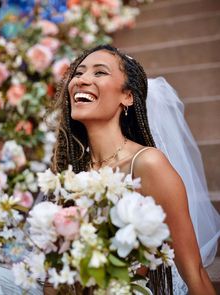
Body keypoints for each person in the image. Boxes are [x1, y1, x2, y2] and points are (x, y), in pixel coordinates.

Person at [51, 44, 218, 295]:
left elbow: (194, 272)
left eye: (99, 73)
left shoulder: (147, 164)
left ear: (127, 96)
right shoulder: (70, 170)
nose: (82, 80)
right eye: (78, 72)